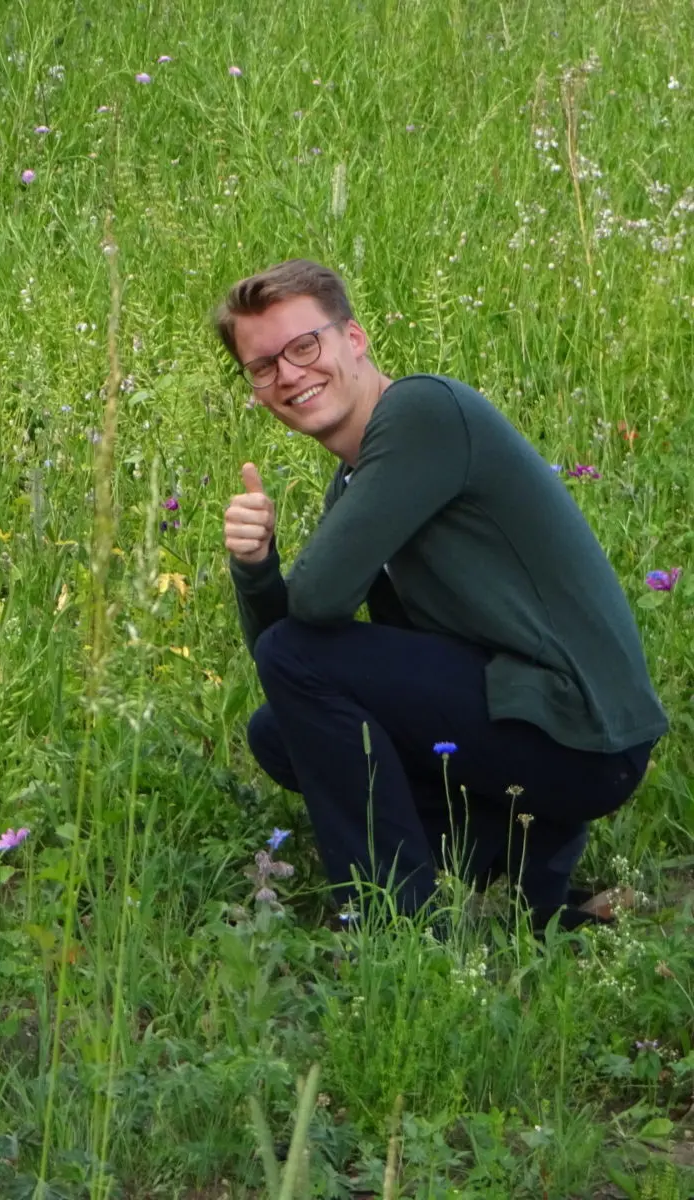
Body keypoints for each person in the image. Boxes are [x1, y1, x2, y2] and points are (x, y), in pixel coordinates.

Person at [215, 259, 665, 929]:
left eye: (304, 346)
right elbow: (290, 664)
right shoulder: (358, 479)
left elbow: (309, 616)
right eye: (262, 366)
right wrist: (255, 569)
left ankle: (394, 921)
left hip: (584, 735)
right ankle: (515, 869)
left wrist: (288, 596)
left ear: (354, 338)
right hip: (529, 729)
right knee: (279, 733)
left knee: (297, 662)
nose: (287, 374)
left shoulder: (422, 413)